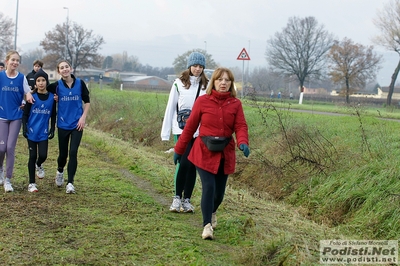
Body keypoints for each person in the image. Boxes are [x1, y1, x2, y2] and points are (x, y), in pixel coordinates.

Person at [173, 67, 250, 240]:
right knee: (208, 187)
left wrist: (243, 142)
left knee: (219, 193)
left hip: (225, 153)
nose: (223, 83)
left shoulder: (236, 104)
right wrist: (179, 150)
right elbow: (190, 127)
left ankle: (213, 210)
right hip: (204, 152)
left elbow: (240, 126)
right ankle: (207, 226)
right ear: (213, 82)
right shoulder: (203, 101)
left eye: (227, 80)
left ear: (231, 84)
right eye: (220, 80)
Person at [161, 52, 209, 213]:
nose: (197, 69)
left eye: (201, 66)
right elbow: (170, 107)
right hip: (181, 129)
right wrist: (165, 132)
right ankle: (176, 198)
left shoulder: (206, 86)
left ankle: (186, 199)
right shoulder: (178, 84)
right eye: (195, 66)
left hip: (200, 132)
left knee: (193, 165)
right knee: (184, 162)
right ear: (189, 66)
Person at [47, 60, 90, 194]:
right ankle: (60, 170)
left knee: (73, 152)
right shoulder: (56, 86)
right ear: (58, 71)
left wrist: (83, 118)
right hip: (63, 124)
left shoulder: (80, 84)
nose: (65, 69)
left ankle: (70, 183)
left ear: (70, 69)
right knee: (63, 154)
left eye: (66, 67)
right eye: (61, 68)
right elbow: (42, 92)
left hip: (77, 124)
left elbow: (87, 101)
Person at [0, 50, 34, 192]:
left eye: (17, 60)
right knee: (1, 148)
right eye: (13, 60)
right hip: (2, 116)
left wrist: (27, 99)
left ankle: (8, 180)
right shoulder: (1, 76)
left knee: (10, 148)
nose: (15, 62)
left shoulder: (21, 78)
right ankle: (0, 169)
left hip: (15, 117)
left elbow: (27, 92)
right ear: (7, 61)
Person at [22, 69, 56, 192]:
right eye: (38, 81)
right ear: (35, 83)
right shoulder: (32, 97)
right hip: (32, 131)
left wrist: (52, 128)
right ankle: (32, 183)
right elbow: (25, 114)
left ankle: (39, 164)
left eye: (43, 80)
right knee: (32, 156)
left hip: (43, 133)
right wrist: (24, 127)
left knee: (43, 155)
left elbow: (53, 114)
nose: (41, 83)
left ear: (47, 82)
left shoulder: (52, 98)